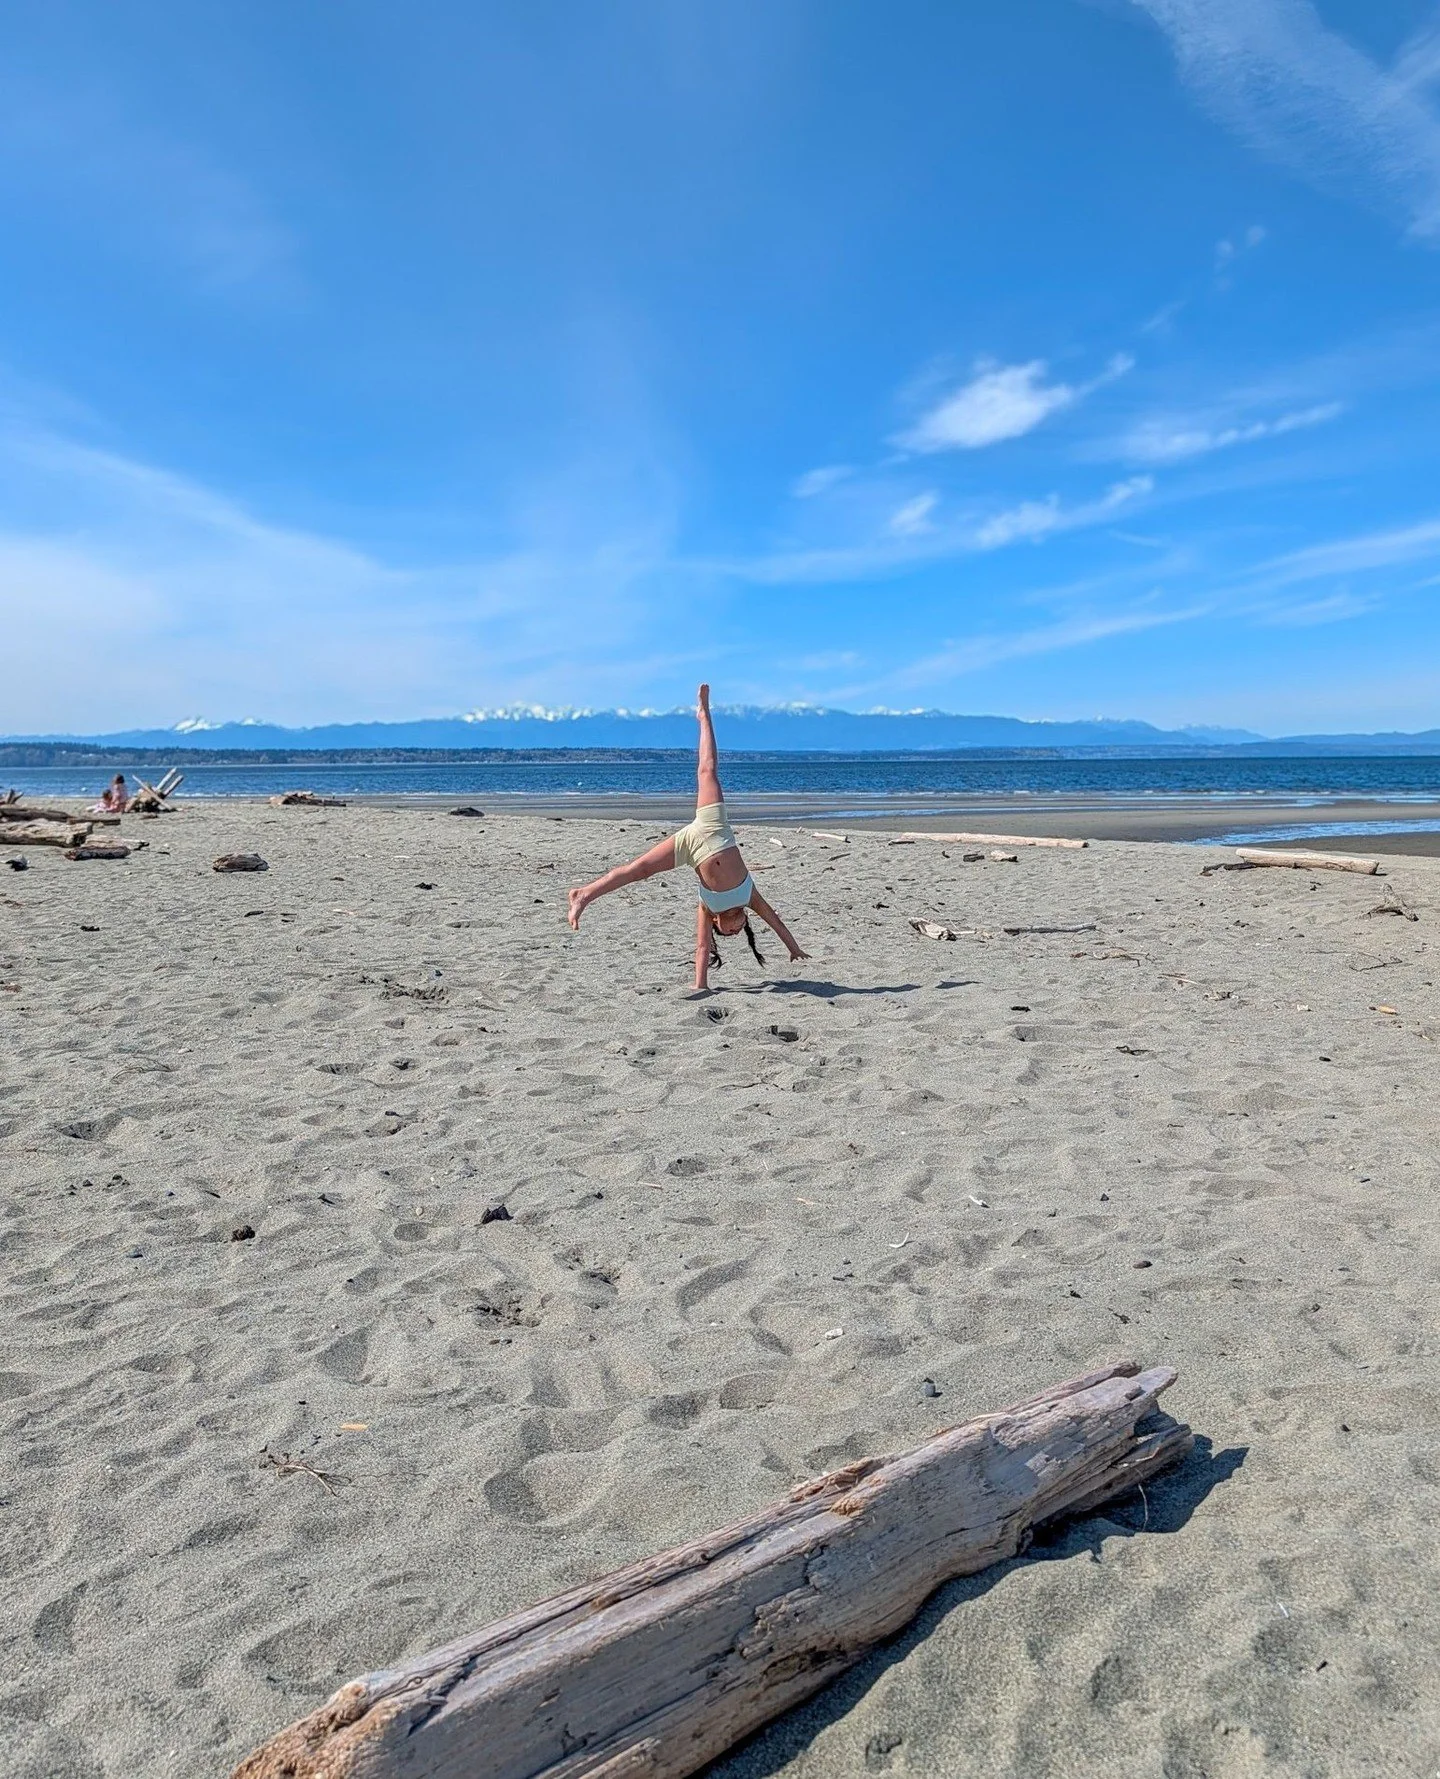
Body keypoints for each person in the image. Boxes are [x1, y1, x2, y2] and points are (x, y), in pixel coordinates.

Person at [568, 685, 809, 992]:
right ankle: (704, 713)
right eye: (740, 930)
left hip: (690, 846)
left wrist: (701, 987)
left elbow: (701, 949)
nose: (737, 929)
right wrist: (793, 946)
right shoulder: (749, 897)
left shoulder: (707, 908)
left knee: (639, 869)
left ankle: (584, 894)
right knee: (707, 770)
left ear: (716, 927)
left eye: (729, 934)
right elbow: (774, 920)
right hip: (713, 827)